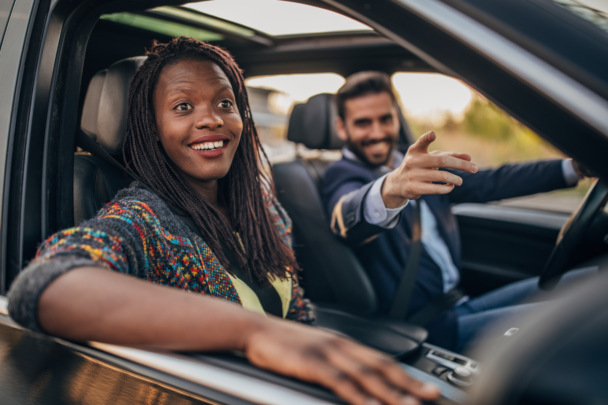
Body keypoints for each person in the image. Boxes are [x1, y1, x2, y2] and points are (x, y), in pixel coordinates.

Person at [6, 39, 441, 405]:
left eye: (225, 102)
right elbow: (45, 285)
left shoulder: (261, 207)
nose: (211, 117)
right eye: (182, 106)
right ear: (151, 127)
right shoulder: (143, 218)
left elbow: (298, 312)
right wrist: (252, 333)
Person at [322, 71, 592, 353]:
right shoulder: (341, 174)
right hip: (425, 327)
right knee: (580, 322)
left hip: (462, 301)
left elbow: (494, 181)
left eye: (385, 119)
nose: (377, 133)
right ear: (342, 128)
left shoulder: (414, 162)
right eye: (363, 123)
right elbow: (345, 217)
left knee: (591, 283)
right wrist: (391, 187)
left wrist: (573, 169)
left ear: (396, 119)